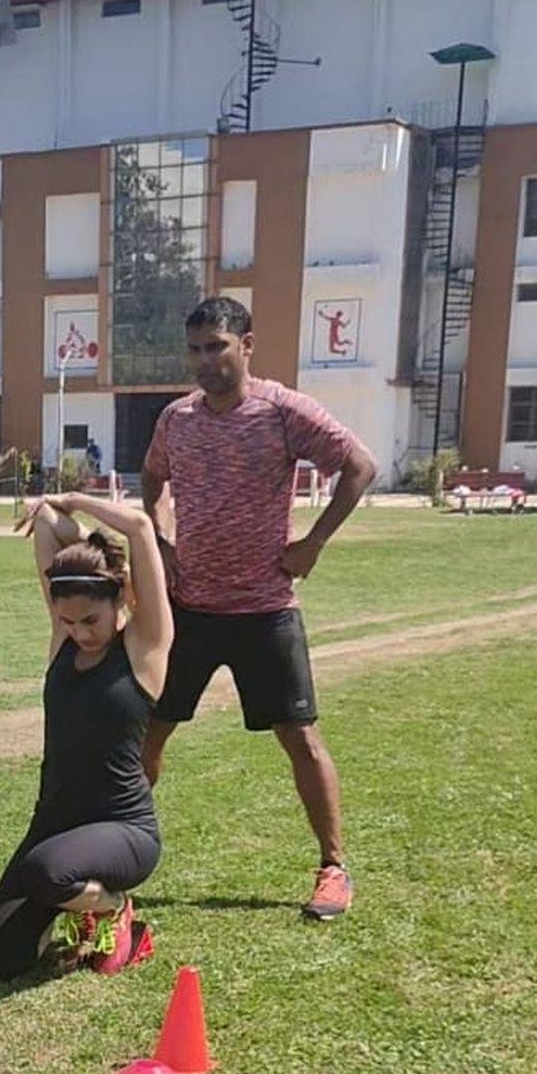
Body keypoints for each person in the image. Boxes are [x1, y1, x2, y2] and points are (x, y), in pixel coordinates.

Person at [141, 295, 377, 920]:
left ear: (246, 345)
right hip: (189, 608)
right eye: (194, 349)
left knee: (300, 738)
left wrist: (313, 543)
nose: (204, 361)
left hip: (265, 609)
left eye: (216, 346)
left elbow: (358, 466)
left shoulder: (282, 411)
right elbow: (152, 480)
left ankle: (333, 867)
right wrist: (162, 542)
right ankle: (114, 848)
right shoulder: (177, 419)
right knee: (148, 730)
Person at [0, 493, 172, 980]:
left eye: (91, 620)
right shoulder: (63, 642)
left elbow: (141, 528)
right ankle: (73, 905)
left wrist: (76, 500)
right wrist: (53, 509)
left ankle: (112, 907)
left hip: (123, 830)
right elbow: (47, 523)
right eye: (68, 620)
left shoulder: (145, 647)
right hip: (54, 825)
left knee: (47, 872)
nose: (80, 632)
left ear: (122, 598)